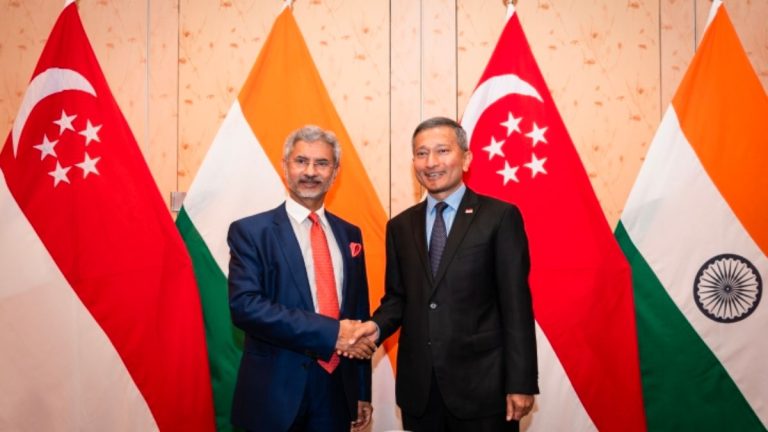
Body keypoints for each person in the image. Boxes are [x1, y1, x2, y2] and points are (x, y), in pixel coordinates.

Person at [352, 117, 539, 431]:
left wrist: (521, 381)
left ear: (466, 158)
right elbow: (398, 299)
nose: (431, 162)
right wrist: (375, 327)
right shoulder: (399, 227)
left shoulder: (499, 217)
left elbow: (516, 306)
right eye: (421, 153)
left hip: (484, 389)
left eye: (442, 151)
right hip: (421, 391)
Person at [227, 125, 376, 432]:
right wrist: (332, 332)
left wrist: (361, 390)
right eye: (301, 161)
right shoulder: (251, 232)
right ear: (285, 167)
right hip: (274, 393)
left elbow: (358, 314)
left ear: (335, 173)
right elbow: (246, 307)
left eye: (321, 163)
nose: (310, 171)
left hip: (337, 392)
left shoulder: (350, 233)